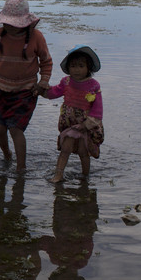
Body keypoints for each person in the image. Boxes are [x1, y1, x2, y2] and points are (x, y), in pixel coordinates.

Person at [0, 0, 53, 172]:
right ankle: (7, 155)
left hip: (25, 92)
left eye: (14, 24)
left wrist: (43, 83)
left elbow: (46, 62)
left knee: (15, 129)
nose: (9, 27)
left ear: (24, 23)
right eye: (7, 23)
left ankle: (21, 168)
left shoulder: (36, 38)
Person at [41, 45, 104, 183]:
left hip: (85, 126)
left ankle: (85, 176)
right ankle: (58, 175)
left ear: (89, 68)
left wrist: (86, 125)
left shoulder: (93, 86)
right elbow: (55, 92)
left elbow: (98, 110)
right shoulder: (66, 82)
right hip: (70, 125)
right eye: (73, 66)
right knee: (65, 149)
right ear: (68, 67)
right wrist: (43, 91)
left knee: (83, 152)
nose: (77, 69)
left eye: (81, 66)